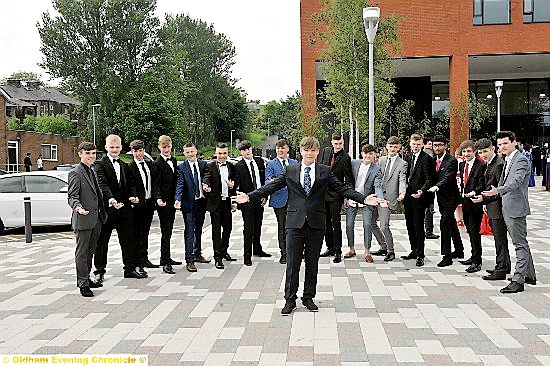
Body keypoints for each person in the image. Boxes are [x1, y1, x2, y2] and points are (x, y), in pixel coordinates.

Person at [235, 136, 383, 316]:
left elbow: (343, 188)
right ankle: (290, 300)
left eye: (313, 150)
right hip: (294, 224)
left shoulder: (325, 171)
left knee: (312, 263)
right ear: (301, 151)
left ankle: (308, 297)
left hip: (316, 223)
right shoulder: (290, 170)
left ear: (317, 152)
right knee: (293, 263)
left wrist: (364, 199)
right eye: (306, 150)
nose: (310, 153)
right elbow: (271, 187)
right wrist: (250, 196)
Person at [482, 131, 536, 293]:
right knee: (520, 241)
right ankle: (529, 275)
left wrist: (498, 190)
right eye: (499, 144)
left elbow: (516, 182)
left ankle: (518, 281)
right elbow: (503, 181)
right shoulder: (508, 159)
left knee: (520, 244)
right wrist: (485, 197)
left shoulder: (521, 160)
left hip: (516, 208)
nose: (502, 147)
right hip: (507, 207)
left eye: (505, 143)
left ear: (514, 142)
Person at [93, 134, 144, 283]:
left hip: (124, 209)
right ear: (106, 147)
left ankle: (129, 269)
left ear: (121, 147)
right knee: (102, 242)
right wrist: (111, 199)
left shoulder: (124, 165)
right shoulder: (99, 165)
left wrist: (133, 196)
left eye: (117, 147)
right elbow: (102, 185)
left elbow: (131, 184)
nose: (115, 150)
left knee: (128, 240)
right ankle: (99, 271)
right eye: (112, 147)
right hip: (108, 210)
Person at [67, 142, 107, 297]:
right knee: (82, 253)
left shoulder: (92, 170)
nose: (91, 156)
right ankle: (82, 283)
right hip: (83, 219)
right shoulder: (75, 173)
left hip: (95, 219)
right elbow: (72, 196)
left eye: (93, 153)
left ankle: (87, 278)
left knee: (91, 251)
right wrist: (78, 207)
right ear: (80, 154)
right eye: (88, 153)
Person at [472, 138, 511, 280]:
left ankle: (501, 269)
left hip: (498, 206)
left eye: (485, 151)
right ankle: (503, 266)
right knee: (499, 238)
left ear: (492, 149)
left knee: (500, 239)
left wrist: (484, 199)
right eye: (480, 152)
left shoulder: (498, 164)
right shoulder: (490, 163)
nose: (483, 155)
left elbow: (498, 189)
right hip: (492, 204)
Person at [428, 135, 464, 267]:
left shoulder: (452, 161)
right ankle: (459, 250)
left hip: (451, 197)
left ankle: (446, 256)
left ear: (445, 146)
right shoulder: (433, 160)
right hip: (441, 198)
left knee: (444, 223)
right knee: (451, 223)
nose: (437, 148)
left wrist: (437, 186)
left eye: (440, 145)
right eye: (435, 145)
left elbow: (448, 177)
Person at [343, 144, 383, 263]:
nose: (368, 156)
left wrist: (380, 199)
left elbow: (378, 186)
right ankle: (352, 249)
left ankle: (367, 251)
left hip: (367, 200)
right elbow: (348, 181)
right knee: (349, 225)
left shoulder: (376, 169)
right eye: (366, 153)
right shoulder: (354, 164)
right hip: (352, 198)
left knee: (367, 224)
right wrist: (346, 197)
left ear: (374, 155)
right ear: (362, 154)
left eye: (370, 154)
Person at [370, 136, 408, 262]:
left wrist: (402, 193)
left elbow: (402, 180)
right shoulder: (380, 160)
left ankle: (391, 251)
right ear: (387, 147)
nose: (392, 149)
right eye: (390, 146)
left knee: (384, 225)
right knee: (370, 223)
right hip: (376, 196)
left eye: (395, 147)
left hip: (388, 198)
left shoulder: (402, 164)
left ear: (399, 148)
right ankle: (383, 246)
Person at [234, 140, 271, 266]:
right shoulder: (238, 166)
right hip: (247, 201)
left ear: (252, 149)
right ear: (241, 152)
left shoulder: (260, 161)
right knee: (248, 228)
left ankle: (257, 249)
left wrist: (265, 195)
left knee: (258, 226)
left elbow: (264, 181)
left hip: (259, 199)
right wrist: (232, 187)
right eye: (244, 150)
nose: (247, 152)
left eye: (249, 149)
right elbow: (236, 184)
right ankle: (247, 255)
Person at [318, 132, 353, 263]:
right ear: (332, 142)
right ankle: (330, 247)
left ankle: (338, 251)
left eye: (340, 144)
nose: (338, 146)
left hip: (336, 195)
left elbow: (348, 179)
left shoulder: (345, 158)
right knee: (325, 222)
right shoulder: (325, 151)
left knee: (335, 223)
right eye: (336, 143)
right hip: (322, 193)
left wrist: (346, 197)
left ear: (343, 143)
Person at [175, 143, 209, 273]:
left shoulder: (203, 164)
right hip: (188, 204)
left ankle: (197, 253)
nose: (190, 154)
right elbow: (180, 184)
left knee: (199, 229)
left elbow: (207, 177)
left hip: (201, 202)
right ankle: (189, 260)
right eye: (187, 152)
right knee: (190, 231)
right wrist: (178, 199)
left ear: (196, 151)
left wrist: (206, 184)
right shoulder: (181, 167)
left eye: (192, 151)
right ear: (184, 153)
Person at [203, 143, 237, 269]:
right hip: (215, 203)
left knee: (228, 228)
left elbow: (235, 180)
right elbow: (206, 178)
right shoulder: (210, 166)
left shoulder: (230, 166)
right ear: (215, 153)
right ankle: (217, 258)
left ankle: (224, 251)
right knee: (216, 231)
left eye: (224, 153)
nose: (222, 156)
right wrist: (205, 185)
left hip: (226, 202)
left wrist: (233, 185)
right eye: (220, 153)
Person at [402, 133, 435, 267]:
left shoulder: (426, 158)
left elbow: (430, 178)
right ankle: (414, 250)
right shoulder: (408, 157)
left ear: (422, 144)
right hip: (409, 196)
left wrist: (422, 190)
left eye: (418, 144)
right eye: (413, 144)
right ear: (410, 144)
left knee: (418, 226)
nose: (415, 146)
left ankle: (420, 255)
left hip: (419, 197)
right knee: (409, 224)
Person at [264, 139, 298, 264]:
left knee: (295, 227)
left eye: (282, 148)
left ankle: (295, 251)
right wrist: (272, 182)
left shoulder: (294, 163)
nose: (280, 150)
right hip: (279, 200)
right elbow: (268, 180)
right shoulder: (271, 164)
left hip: (294, 200)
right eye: (278, 148)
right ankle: (284, 254)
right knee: (282, 227)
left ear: (287, 149)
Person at [127, 140, 159, 272]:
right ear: (132, 152)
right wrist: (134, 197)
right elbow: (131, 185)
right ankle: (138, 261)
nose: (138, 153)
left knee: (145, 233)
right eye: (136, 151)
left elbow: (154, 183)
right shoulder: (130, 167)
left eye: (140, 151)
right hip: (137, 205)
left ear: (144, 151)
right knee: (137, 234)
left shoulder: (149, 165)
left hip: (149, 204)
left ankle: (144, 258)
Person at [153, 135, 181, 274]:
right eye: (164, 147)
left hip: (172, 201)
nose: (166, 149)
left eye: (168, 147)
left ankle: (167, 257)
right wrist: (158, 199)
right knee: (165, 231)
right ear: (159, 147)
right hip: (163, 202)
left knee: (169, 231)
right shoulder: (157, 163)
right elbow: (156, 184)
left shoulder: (174, 160)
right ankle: (165, 261)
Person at [457, 140, 486, 273]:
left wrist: (475, 192)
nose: (466, 153)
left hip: (475, 202)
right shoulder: (462, 165)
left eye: (469, 151)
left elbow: (482, 183)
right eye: (464, 151)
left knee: (474, 232)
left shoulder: (481, 165)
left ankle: (477, 261)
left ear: (474, 151)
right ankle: (473, 256)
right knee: (469, 230)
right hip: (465, 202)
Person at [423, 137, 439, 239]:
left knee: (429, 210)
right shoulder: (428, 155)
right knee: (428, 210)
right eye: (429, 144)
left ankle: (428, 230)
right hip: (427, 187)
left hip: (429, 187)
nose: (431, 146)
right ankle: (428, 231)